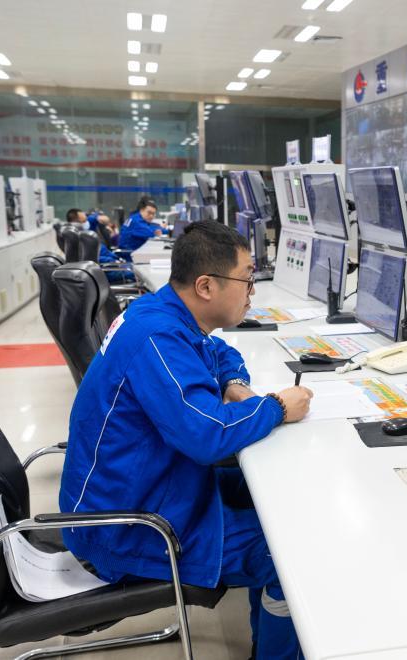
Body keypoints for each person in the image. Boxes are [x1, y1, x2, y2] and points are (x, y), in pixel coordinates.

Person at [59, 220, 313, 659]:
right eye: (247, 279)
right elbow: (207, 435)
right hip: (130, 527)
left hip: (154, 487)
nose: (253, 291)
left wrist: (234, 382)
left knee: (280, 497)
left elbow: (218, 351)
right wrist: (276, 406)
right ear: (206, 286)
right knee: (292, 555)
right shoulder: (157, 337)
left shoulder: (163, 313)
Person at [65, 208, 135, 283]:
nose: (87, 220)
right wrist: (114, 261)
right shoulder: (83, 239)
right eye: (84, 220)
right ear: (77, 222)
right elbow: (92, 259)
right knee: (138, 272)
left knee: (137, 268)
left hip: (113, 264)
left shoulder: (86, 233)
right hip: (109, 268)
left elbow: (105, 219)